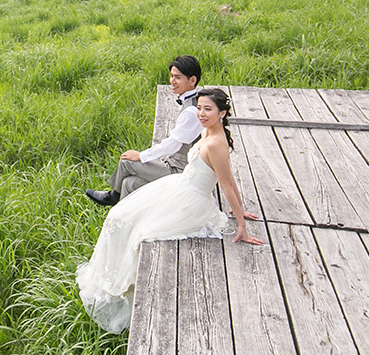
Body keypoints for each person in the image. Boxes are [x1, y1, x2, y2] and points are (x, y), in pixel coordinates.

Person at [75, 87, 263, 333]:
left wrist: (241, 222)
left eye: (208, 109)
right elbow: (227, 179)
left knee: (140, 231)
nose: (202, 114)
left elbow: (226, 183)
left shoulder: (217, 143)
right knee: (118, 216)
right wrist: (240, 207)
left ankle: (125, 286)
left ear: (223, 113)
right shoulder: (208, 131)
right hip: (179, 186)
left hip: (192, 201)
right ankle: (107, 278)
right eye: (199, 108)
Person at [84, 55, 204, 207]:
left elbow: (172, 145)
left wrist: (141, 155)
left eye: (178, 77)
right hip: (175, 164)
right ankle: (125, 216)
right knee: (128, 183)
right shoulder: (193, 102)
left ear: (192, 80)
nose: (172, 81)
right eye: (172, 76)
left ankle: (113, 196)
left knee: (126, 161)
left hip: (180, 171)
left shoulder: (192, 111)